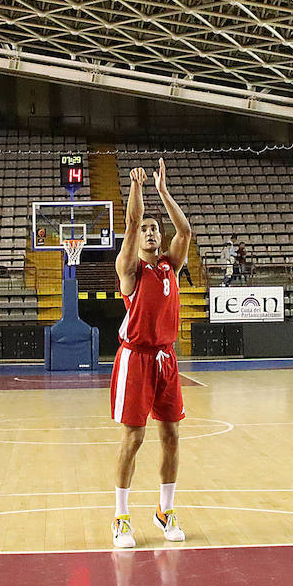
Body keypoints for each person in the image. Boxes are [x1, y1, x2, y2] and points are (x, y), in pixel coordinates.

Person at [110, 158, 191, 550]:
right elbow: (130, 224)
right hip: (135, 357)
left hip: (166, 358)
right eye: (145, 229)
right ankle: (121, 518)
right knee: (133, 437)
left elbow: (186, 230)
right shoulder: (129, 269)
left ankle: (165, 510)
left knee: (171, 434)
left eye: (154, 228)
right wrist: (138, 190)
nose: (150, 232)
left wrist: (163, 191)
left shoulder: (171, 266)